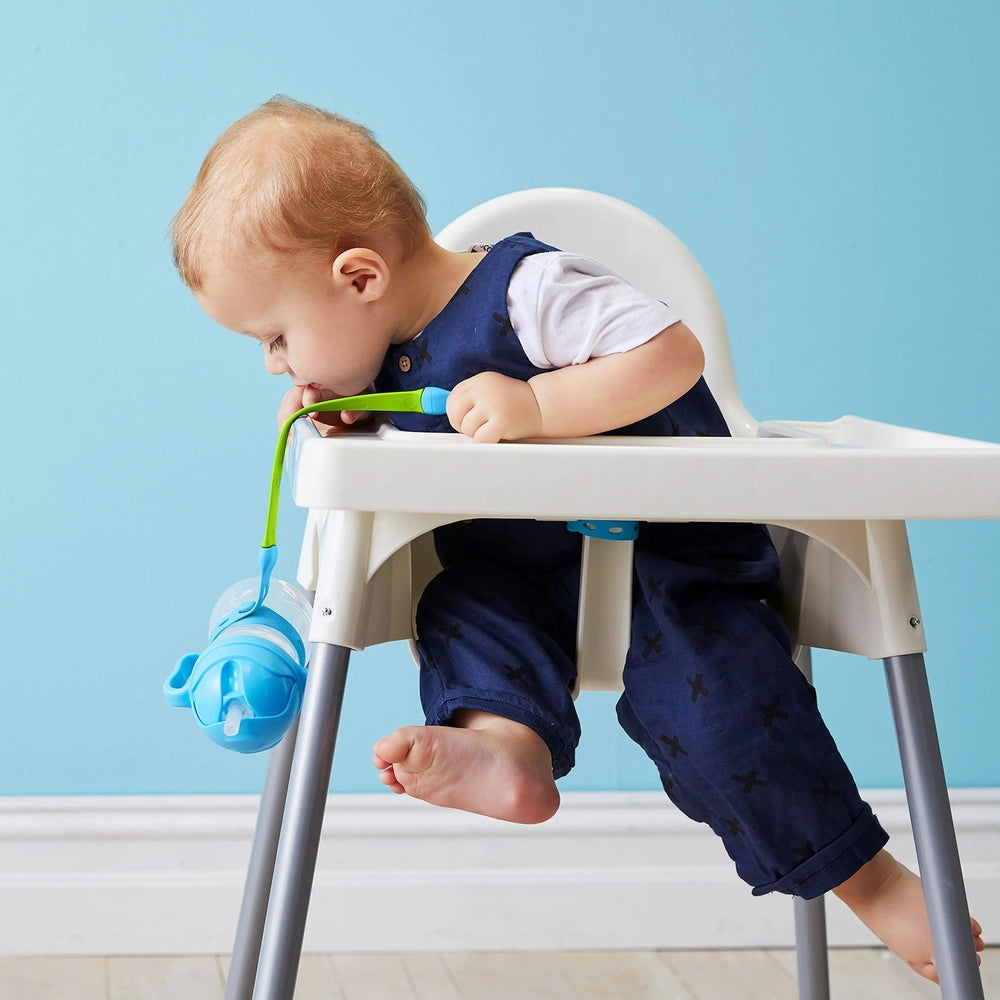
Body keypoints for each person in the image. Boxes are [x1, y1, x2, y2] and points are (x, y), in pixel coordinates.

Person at [170, 95, 983, 983]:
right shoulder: (392, 366)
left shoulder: (528, 293)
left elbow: (671, 354)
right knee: (461, 606)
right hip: (524, 578)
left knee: (725, 710)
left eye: (278, 337)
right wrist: (357, 422)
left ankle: (877, 887)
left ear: (361, 277)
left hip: (677, 570)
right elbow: (412, 433)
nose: (275, 365)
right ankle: (506, 749)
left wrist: (538, 404)